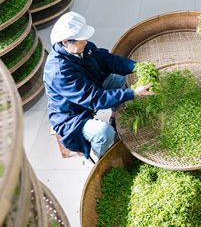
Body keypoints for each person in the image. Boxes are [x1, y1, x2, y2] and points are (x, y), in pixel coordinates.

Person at [43, 12, 152, 161]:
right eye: (81, 40)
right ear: (65, 41)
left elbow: (106, 59)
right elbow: (95, 98)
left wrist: (136, 67)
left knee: (119, 79)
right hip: (71, 114)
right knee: (104, 133)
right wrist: (132, 93)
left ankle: (114, 117)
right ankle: (101, 157)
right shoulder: (59, 72)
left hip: (90, 88)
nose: (86, 42)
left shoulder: (81, 48)